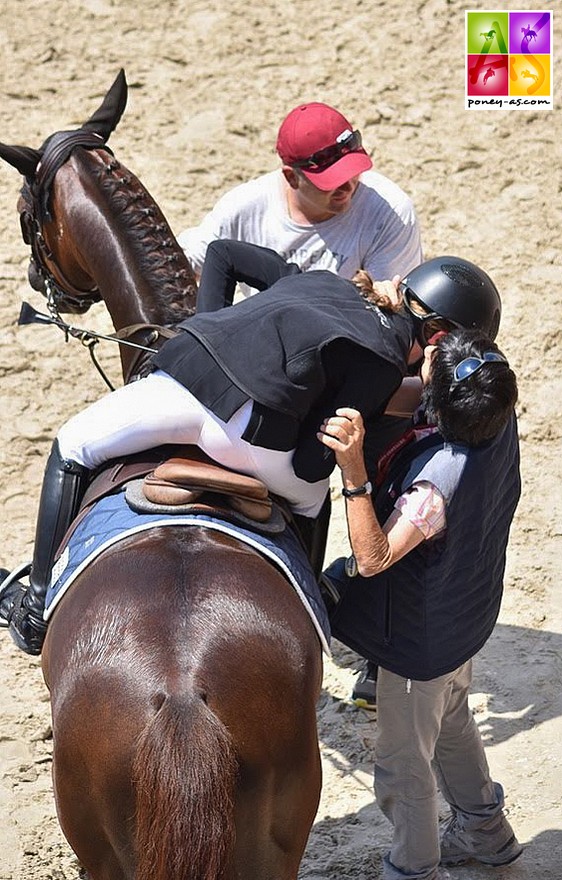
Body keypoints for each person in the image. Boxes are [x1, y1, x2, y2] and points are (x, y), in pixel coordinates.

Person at [0, 245, 502, 657]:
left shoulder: (329, 279)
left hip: (180, 380)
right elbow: (312, 459)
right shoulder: (385, 364)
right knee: (312, 498)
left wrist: (210, 329)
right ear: (436, 337)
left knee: (73, 445)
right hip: (240, 435)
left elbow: (222, 255)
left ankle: (36, 606)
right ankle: (314, 611)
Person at [319, 329, 522, 880]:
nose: (428, 351)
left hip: (419, 644)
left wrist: (354, 471)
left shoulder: (437, 487)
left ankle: (414, 868)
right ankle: (486, 831)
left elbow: (374, 557)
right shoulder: (498, 412)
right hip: (466, 616)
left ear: (439, 410)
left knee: (403, 765)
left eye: (432, 362)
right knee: (453, 717)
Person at [177, 101, 423, 295]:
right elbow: (184, 267)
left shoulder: (390, 212)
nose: (347, 187)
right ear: (291, 178)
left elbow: (389, 316)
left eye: (352, 172)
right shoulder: (242, 209)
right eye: (331, 181)